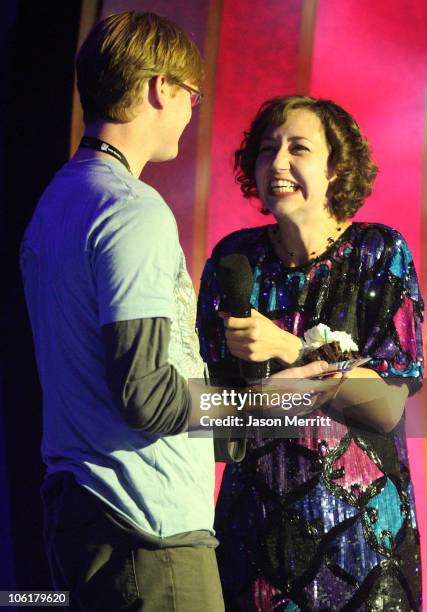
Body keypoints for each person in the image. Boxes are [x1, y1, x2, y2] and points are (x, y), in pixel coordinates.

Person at [19, 11, 225, 612]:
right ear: (162, 87)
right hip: (147, 531)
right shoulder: (132, 210)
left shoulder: (54, 204)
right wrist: (261, 404)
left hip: (86, 517)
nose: (193, 110)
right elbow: (147, 396)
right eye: (193, 94)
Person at [197, 96, 423, 611]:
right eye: (265, 149)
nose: (276, 163)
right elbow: (208, 422)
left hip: (364, 543)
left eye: (297, 148)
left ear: (335, 168)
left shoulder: (379, 252)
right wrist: (259, 400)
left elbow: (386, 408)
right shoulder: (234, 261)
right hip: (254, 536)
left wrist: (290, 347)